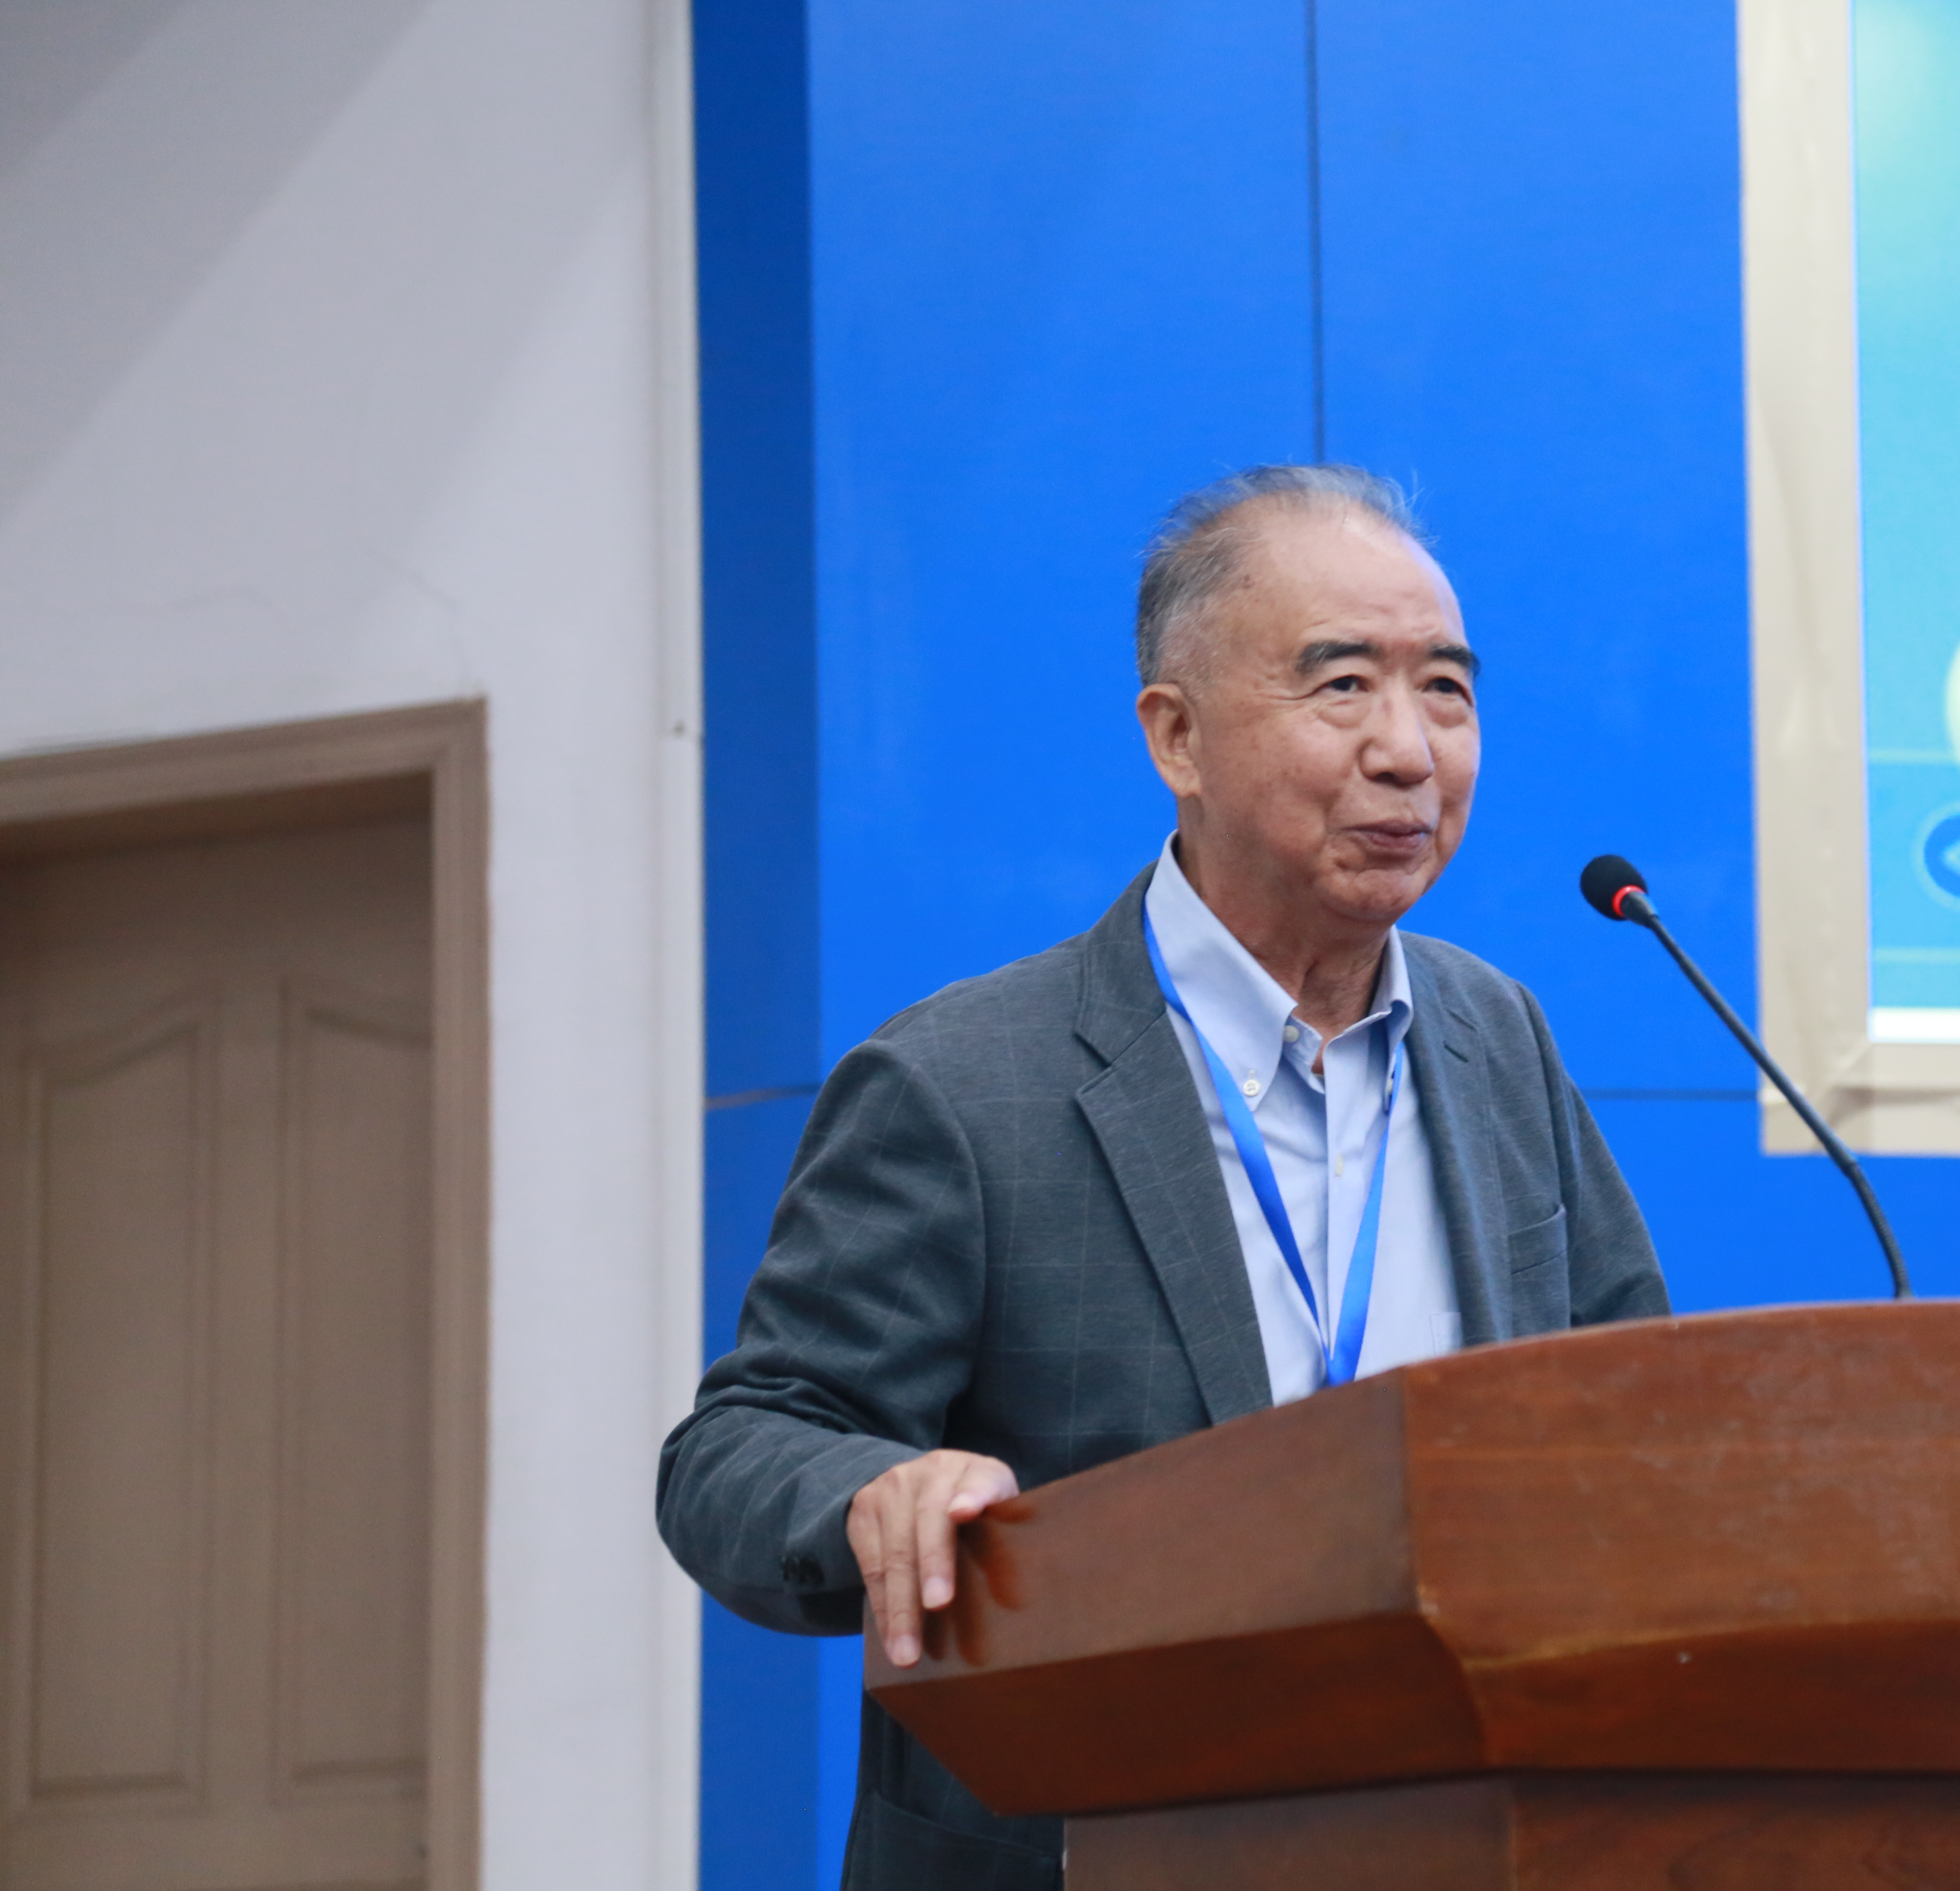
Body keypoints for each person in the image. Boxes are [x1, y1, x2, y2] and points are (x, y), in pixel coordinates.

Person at [657, 464, 1668, 1888]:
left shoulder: (1495, 1038)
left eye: (1445, 690)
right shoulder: (965, 1081)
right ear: (1176, 737)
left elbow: (1635, 1409)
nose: (1408, 750)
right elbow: (740, 1447)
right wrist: (875, 1489)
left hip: (1466, 1832)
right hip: (1091, 1844)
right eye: (1343, 686)